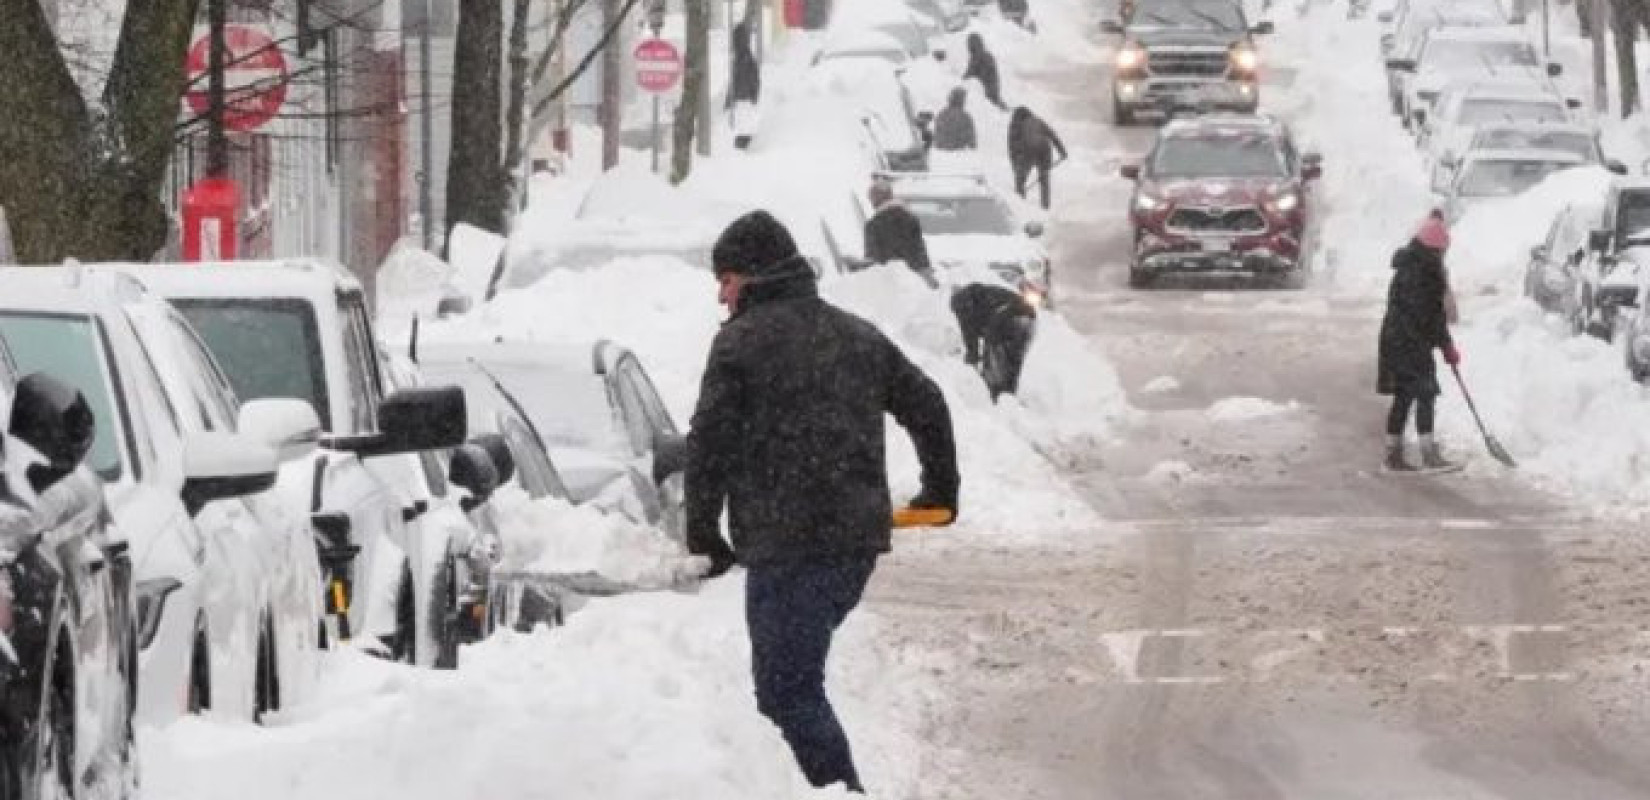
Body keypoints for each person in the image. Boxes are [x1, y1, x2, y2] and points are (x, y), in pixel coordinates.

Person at [686, 210, 960, 794]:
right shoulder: (856, 335)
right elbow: (928, 405)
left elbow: (709, 444)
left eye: (726, 278)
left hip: (788, 545)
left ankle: (842, 791)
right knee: (791, 684)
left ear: (753, 277)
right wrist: (941, 489)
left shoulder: (738, 344)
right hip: (851, 546)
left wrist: (704, 536)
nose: (721, 293)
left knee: (786, 690)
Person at [1377, 211, 1459, 472]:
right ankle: (1427, 454)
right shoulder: (1426, 274)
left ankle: (1393, 454)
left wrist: (1444, 344)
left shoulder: (1408, 267)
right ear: (1436, 249)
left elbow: (1428, 316)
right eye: (1443, 251)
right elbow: (1432, 317)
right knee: (1425, 392)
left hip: (1396, 340)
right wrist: (1447, 347)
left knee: (1404, 396)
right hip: (1410, 342)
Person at [951, 281, 1037, 400]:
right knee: (1013, 364)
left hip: (1005, 319)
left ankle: (995, 398)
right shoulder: (984, 294)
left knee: (994, 363)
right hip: (1029, 320)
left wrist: (972, 360)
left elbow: (969, 334)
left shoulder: (961, 302)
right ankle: (1008, 398)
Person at [864, 179, 939, 288]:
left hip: (896, 285)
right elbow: (918, 250)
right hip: (921, 278)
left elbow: (873, 263)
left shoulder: (873, 226)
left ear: (876, 199)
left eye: (872, 198)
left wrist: (854, 263)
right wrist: (927, 273)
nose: (871, 202)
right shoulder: (909, 217)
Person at [1008, 106, 1067, 210]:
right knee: (1044, 178)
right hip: (1045, 148)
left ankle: (1020, 204)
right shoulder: (1038, 120)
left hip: (1028, 149)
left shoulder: (1015, 125)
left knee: (1020, 180)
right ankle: (1045, 206)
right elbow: (1052, 135)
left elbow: (1012, 148)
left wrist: (1016, 170)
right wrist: (1062, 151)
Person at [727, 21, 761, 149]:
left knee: (744, 124)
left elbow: (753, 78)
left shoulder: (744, 57)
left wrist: (753, 94)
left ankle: (742, 146)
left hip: (744, 97)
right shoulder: (742, 56)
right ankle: (742, 144)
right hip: (743, 96)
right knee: (743, 123)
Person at [963, 34, 1007, 111]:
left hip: (987, 84)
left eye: (969, 44)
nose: (968, 47)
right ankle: (1005, 110)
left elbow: (970, 71)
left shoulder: (977, 56)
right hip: (992, 83)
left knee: (991, 104)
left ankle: (1005, 111)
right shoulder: (986, 54)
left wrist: (963, 79)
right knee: (994, 101)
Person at [931, 87, 978, 151]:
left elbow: (936, 137)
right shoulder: (965, 117)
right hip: (959, 154)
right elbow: (972, 142)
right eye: (963, 99)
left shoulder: (942, 114)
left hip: (942, 153)